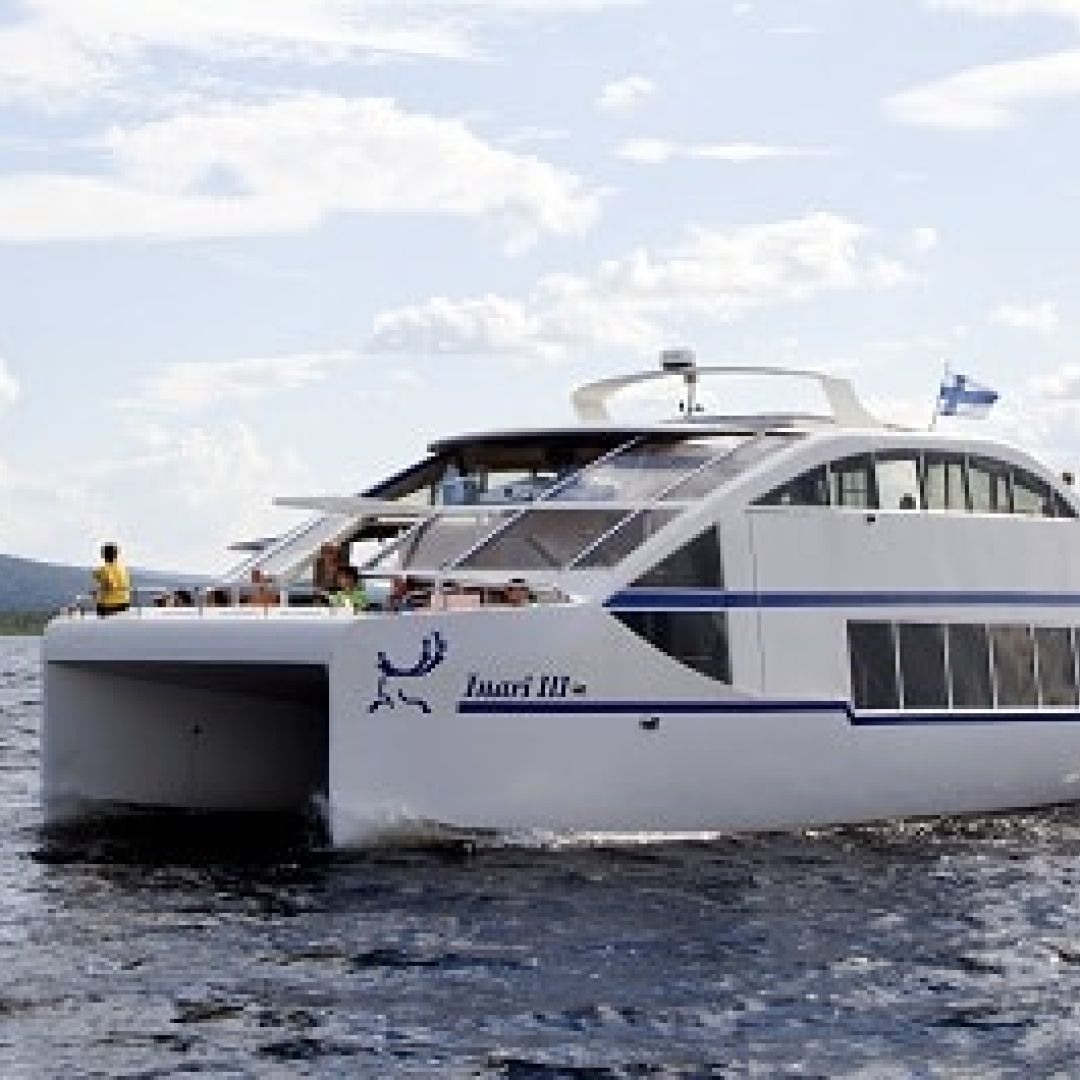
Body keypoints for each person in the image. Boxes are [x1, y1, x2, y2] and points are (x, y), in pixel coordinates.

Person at [92, 542, 131, 617]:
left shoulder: (101, 570)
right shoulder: (123, 569)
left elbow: (108, 584)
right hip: (124, 603)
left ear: (103, 555)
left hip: (107, 605)